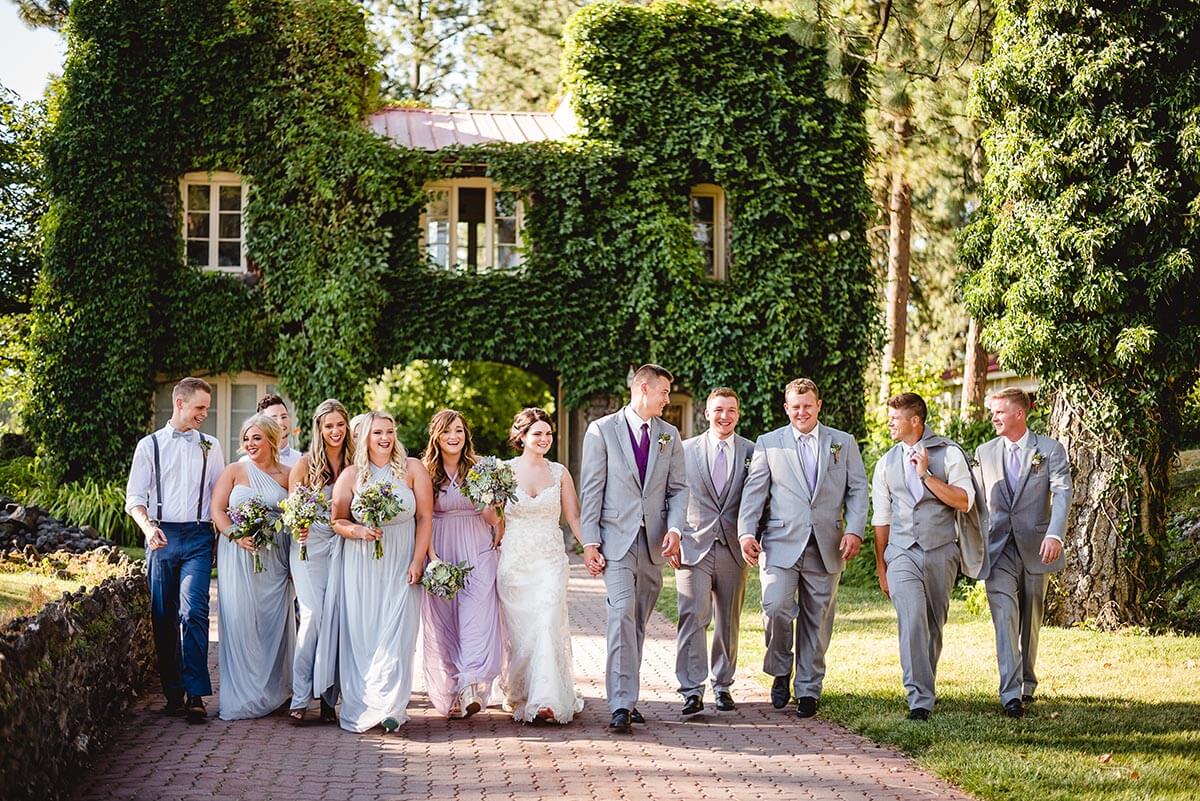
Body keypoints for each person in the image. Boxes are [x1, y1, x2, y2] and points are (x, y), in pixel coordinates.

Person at [738, 379, 868, 718]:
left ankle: (809, 687)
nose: (801, 412)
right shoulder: (769, 444)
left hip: (827, 544)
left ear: (818, 406)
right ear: (786, 408)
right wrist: (745, 534)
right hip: (780, 544)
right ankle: (781, 670)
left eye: (807, 406)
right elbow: (754, 495)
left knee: (817, 618)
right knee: (776, 607)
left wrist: (854, 529)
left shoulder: (843, 443)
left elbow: (857, 490)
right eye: (795, 407)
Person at [579, 363, 688, 733]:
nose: (667, 399)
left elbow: (678, 489)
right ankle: (621, 704)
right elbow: (591, 488)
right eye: (664, 392)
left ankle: (629, 693)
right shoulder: (602, 430)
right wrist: (589, 540)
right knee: (622, 612)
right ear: (644, 387)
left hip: (653, 542)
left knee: (638, 621)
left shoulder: (669, 434)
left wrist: (675, 528)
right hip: (616, 541)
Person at [125, 377, 225, 724]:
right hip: (161, 536)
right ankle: (172, 691)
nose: (204, 415)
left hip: (198, 537)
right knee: (163, 616)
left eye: (206, 409)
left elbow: (218, 495)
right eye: (200, 408)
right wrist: (148, 527)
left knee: (194, 611)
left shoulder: (211, 446)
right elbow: (135, 499)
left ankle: (195, 693)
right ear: (179, 403)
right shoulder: (148, 446)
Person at [871, 392, 974, 720]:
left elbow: (964, 501)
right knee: (912, 617)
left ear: (915, 421)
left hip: (942, 550)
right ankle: (919, 697)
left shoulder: (950, 453)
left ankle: (924, 683)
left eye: (895, 418)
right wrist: (881, 565)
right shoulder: (886, 462)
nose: (889, 423)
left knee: (933, 623)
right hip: (901, 552)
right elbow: (881, 517)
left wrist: (927, 476)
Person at [331, 411, 432, 733]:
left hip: (402, 560)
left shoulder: (413, 469)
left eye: (389, 431)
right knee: (363, 636)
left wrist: (418, 560)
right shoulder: (351, 475)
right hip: (361, 564)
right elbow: (338, 521)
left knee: (399, 635)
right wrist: (358, 532)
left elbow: (426, 518)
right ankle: (364, 703)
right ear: (365, 437)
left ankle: (392, 708)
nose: (385, 438)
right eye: (377, 433)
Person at [976, 388, 1071, 718]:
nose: (994, 417)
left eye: (999, 412)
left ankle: (1027, 681)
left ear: (1020, 413)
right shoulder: (984, 452)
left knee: (1031, 616)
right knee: (1004, 617)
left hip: (1036, 546)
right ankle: (1010, 692)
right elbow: (974, 501)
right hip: (998, 548)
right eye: (993, 412)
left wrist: (1055, 534)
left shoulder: (1049, 450)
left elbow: (1061, 494)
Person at [497, 408, 586, 724]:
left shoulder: (560, 472)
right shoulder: (503, 472)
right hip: (514, 562)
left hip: (549, 559)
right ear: (521, 436)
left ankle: (547, 699)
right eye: (537, 434)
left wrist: (588, 546)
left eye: (548, 434)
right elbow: (492, 518)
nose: (544, 439)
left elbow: (573, 516)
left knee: (548, 621)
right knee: (521, 634)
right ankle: (520, 691)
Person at [675, 388, 755, 715]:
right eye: (719, 410)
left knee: (728, 619)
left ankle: (723, 685)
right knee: (692, 615)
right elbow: (672, 496)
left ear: (738, 413)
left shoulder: (753, 451)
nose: (725, 416)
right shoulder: (684, 450)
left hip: (734, 547)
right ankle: (691, 690)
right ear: (707, 413)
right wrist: (673, 534)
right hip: (693, 545)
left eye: (731, 410)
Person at [420, 410, 504, 718]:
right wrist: (432, 558)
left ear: (466, 434)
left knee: (475, 616)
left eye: (458, 430)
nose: (453, 437)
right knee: (445, 622)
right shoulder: (427, 471)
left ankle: (470, 684)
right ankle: (453, 688)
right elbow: (424, 518)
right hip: (440, 545)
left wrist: (494, 508)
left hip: (477, 546)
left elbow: (492, 517)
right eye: (446, 432)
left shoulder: (480, 467)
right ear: (436, 437)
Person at [211, 414, 295, 720]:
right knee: (241, 622)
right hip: (238, 555)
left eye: (256, 438)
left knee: (272, 624)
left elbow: (296, 514)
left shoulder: (288, 475)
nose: (250, 444)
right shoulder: (235, 471)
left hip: (275, 558)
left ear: (272, 440)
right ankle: (243, 695)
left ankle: (274, 691)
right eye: (246, 438)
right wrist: (236, 535)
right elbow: (217, 510)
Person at [287, 398, 354, 724]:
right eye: (329, 426)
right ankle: (300, 696)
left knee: (337, 619)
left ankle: (329, 698)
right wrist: (297, 523)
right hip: (309, 547)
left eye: (340, 425)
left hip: (344, 546)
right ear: (319, 429)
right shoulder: (304, 465)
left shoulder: (356, 463)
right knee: (313, 616)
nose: (336, 431)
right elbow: (291, 509)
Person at [240, 394, 301, 468]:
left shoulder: (300, 459)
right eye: (274, 418)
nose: (281, 422)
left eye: (284, 416)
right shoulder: (245, 463)